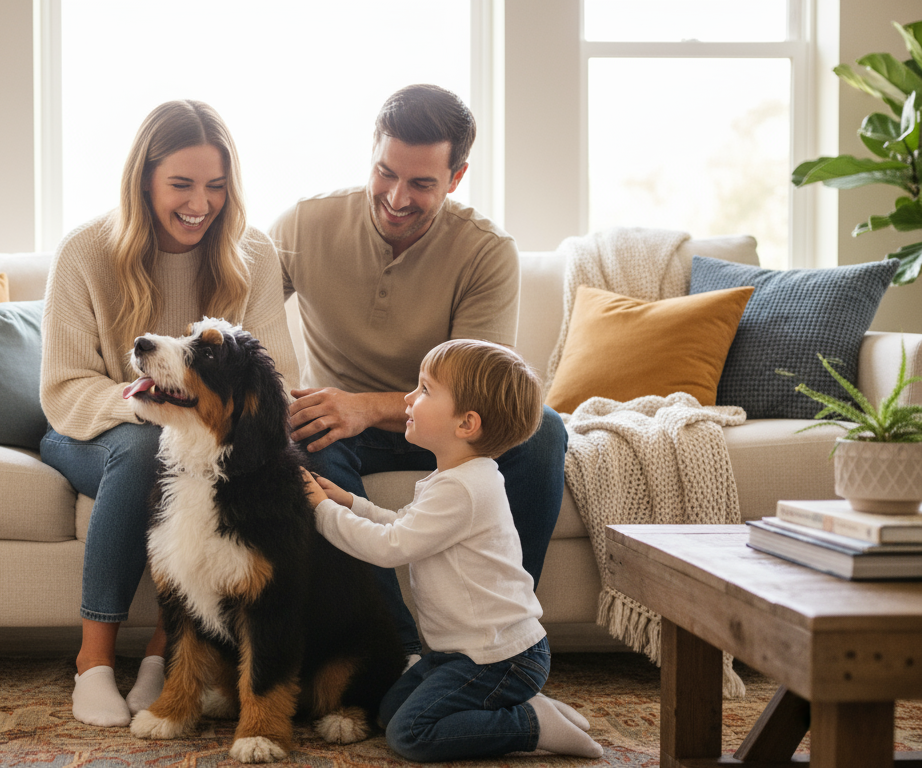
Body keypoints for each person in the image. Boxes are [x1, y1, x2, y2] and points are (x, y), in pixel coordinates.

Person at [270, 83, 568, 660]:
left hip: (447, 424)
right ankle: (400, 653)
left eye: (422, 184)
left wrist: (364, 405)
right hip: (345, 433)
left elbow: (483, 394)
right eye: (386, 173)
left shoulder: (486, 251)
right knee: (307, 438)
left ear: (456, 178)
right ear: (372, 152)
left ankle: (502, 643)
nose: (396, 197)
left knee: (543, 431)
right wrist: (289, 397)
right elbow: (243, 321)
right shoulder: (302, 225)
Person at [39, 100, 299, 728]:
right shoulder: (85, 251)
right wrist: (155, 409)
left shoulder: (253, 252)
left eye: (216, 186)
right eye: (181, 184)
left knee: (238, 462)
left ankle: (166, 655)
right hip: (92, 429)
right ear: (145, 180)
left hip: (191, 434)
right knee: (143, 452)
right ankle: (94, 663)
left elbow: (278, 378)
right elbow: (64, 388)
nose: (200, 204)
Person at [303, 339, 602, 762]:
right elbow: (406, 524)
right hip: (460, 655)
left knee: (410, 734)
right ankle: (522, 703)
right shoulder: (453, 478)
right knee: (388, 712)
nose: (407, 399)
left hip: (500, 659)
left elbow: (390, 546)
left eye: (424, 390)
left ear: (466, 424)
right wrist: (352, 503)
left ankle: (531, 724)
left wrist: (322, 511)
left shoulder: (463, 489)